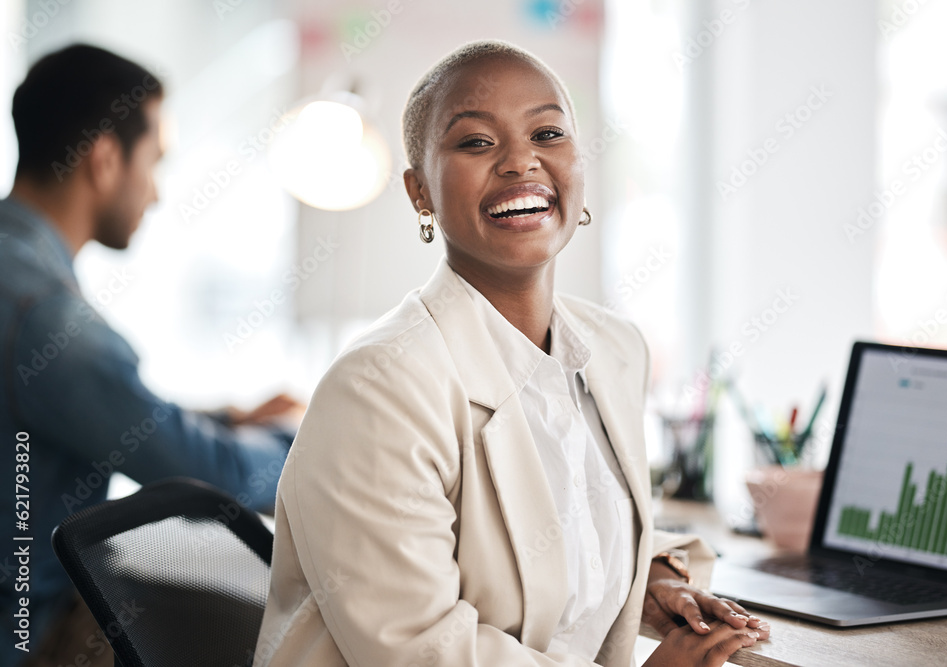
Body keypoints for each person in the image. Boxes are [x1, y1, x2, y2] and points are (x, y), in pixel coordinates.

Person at [254, 40, 770, 667]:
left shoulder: (614, 351)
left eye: (548, 133)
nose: (521, 162)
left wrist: (651, 583)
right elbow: (421, 650)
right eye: (475, 142)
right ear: (421, 194)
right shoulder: (378, 385)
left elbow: (559, 531)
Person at [0, 44, 301, 665]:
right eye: (154, 162)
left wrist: (229, 418)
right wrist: (318, 440)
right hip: (28, 632)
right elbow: (208, 475)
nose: (158, 194)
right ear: (105, 158)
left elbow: (82, 414)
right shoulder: (43, 316)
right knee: (287, 637)